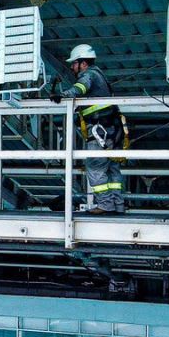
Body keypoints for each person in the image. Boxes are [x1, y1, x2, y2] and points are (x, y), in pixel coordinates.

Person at [50, 44, 127, 214]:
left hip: (100, 132)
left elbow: (81, 87)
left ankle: (105, 204)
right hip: (112, 131)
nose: (72, 67)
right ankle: (118, 205)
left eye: (74, 63)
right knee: (112, 168)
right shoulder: (100, 76)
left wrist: (64, 95)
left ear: (83, 63)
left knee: (95, 167)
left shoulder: (89, 74)